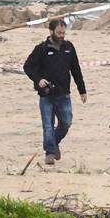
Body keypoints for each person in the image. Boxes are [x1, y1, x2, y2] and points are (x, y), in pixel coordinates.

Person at [22, 18, 88, 165]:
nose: (61, 35)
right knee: (48, 125)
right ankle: (50, 153)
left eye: (63, 33)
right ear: (51, 31)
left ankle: (54, 142)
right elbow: (28, 67)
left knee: (66, 122)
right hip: (46, 95)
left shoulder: (69, 47)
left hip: (64, 94)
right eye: (58, 32)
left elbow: (76, 69)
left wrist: (82, 90)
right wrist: (38, 80)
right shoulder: (41, 49)